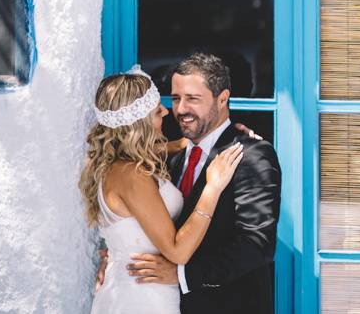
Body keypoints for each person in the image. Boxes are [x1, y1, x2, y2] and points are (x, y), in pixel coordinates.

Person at [124, 53, 282, 314]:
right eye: (176, 99)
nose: (181, 109)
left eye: (193, 99)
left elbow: (257, 244)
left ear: (222, 99)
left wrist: (183, 275)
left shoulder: (251, 154)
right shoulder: (172, 155)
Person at [80, 68, 244, 314]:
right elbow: (178, 251)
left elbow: (154, 151)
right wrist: (212, 188)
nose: (167, 112)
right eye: (158, 111)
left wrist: (203, 140)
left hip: (140, 290)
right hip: (140, 299)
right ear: (141, 124)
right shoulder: (132, 176)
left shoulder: (120, 164)